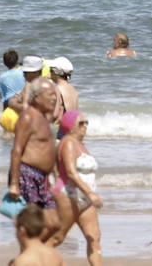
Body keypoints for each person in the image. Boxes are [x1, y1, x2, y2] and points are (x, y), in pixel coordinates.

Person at [9, 77, 62, 239]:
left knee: (54, 223)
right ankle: (29, 255)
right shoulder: (27, 117)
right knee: (32, 226)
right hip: (28, 175)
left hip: (43, 178)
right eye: (50, 94)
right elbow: (16, 150)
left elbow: (48, 149)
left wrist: (56, 175)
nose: (54, 98)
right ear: (37, 97)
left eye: (55, 94)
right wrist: (14, 183)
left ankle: (35, 251)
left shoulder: (44, 119)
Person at [49, 110, 104, 266]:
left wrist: (88, 195)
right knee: (57, 237)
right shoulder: (68, 143)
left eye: (86, 122)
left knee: (94, 236)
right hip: (68, 195)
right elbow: (71, 173)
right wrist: (90, 193)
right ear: (69, 125)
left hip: (84, 199)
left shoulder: (81, 145)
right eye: (81, 123)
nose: (85, 126)